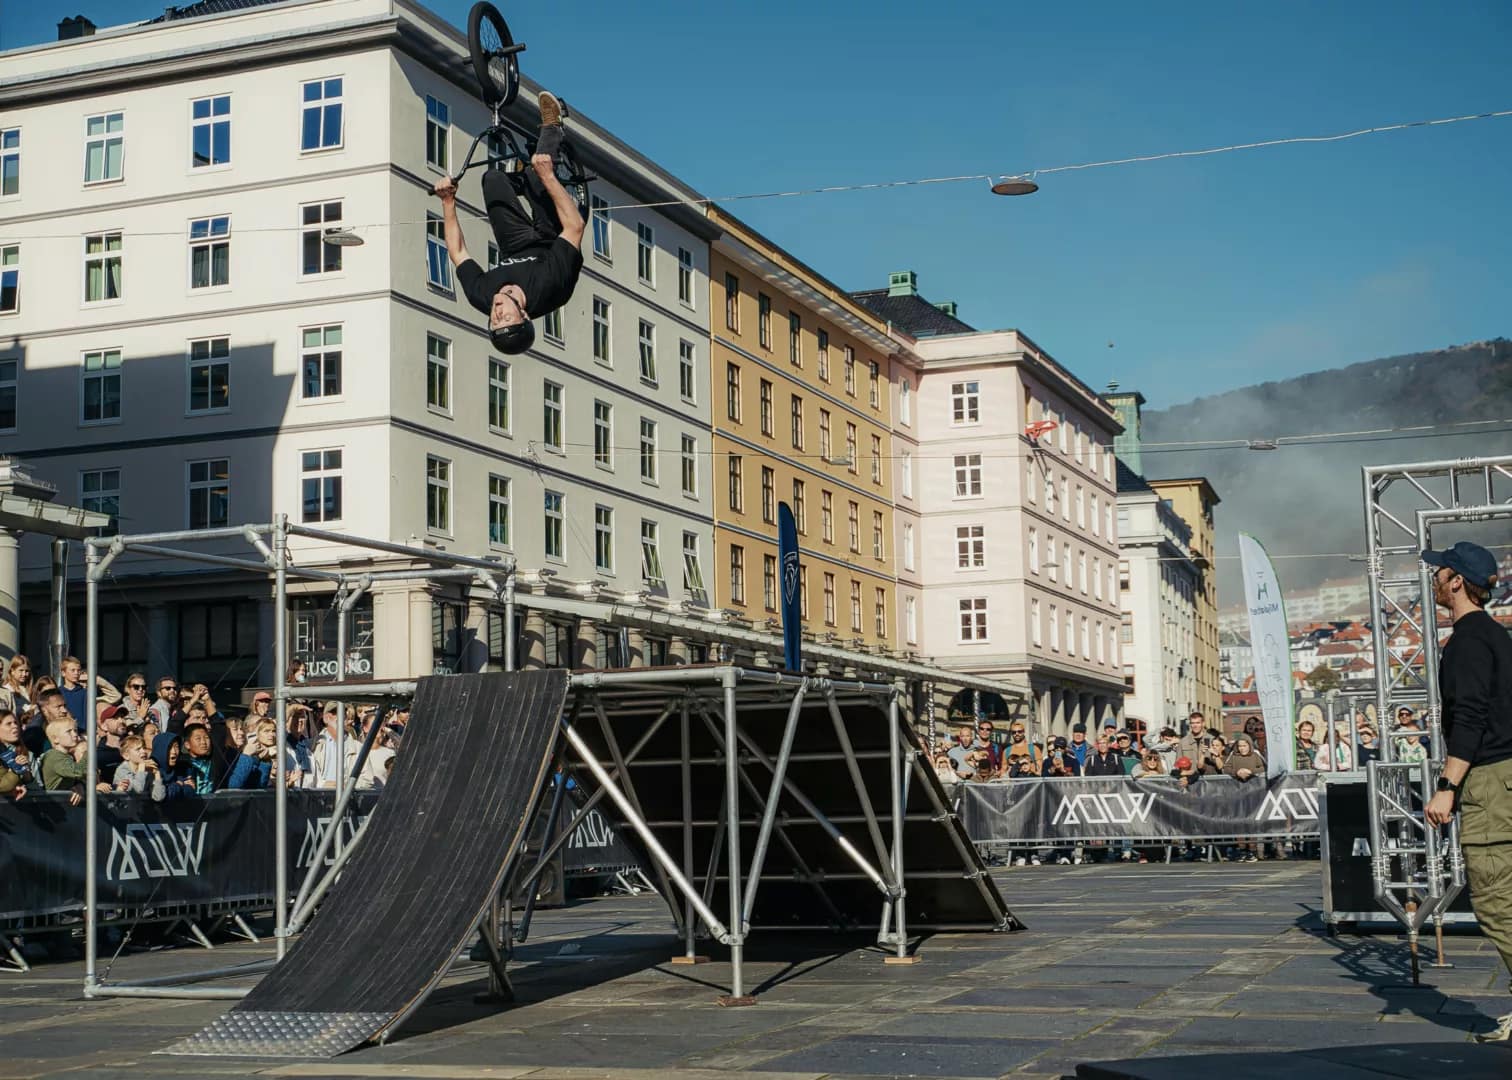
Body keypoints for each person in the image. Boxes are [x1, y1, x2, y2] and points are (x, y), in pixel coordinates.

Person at [1417, 541, 1512, 1043]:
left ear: (1456, 582)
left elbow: (1470, 719)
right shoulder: (1495, 636)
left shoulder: (1468, 641)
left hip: (1491, 783)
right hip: (1505, 776)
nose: (1434, 578)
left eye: (1441, 571)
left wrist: (1446, 787)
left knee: (1497, 900)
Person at [434, 92, 585, 356]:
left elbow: (457, 252)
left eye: (494, 321)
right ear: (524, 315)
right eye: (506, 318)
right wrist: (548, 176)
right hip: (554, 237)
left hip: (514, 244)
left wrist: (447, 201)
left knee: (491, 179)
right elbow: (575, 227)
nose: (497, 312)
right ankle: (553, 127)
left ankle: (518, 179)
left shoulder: (481, 295)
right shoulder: (550, 286)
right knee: (537, 177)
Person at [113, 734, 165, 800]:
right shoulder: (122, 770)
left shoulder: (147, 770)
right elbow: (137, 790)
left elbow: (159, 797)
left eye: (144, 748)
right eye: (138, 749)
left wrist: (157, 774)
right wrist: (141, 768)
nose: (143, 751)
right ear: (126, 755)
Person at [0, 709, 36, 801]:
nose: (15, 726)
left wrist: (26, 773)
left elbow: (38, 789)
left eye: (16, 722)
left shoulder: (29, 754)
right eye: (9, 724)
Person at [150, 732, 196, 799]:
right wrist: (179, 784)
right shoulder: (151, 770)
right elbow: (160, 797)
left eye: (176, 746)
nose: (174, 751)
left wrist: (172, 788)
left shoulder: (183, 769)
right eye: (169, 747)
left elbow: (190, 790)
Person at [180, 723, 218, 794]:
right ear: (187, 744)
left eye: (206, 738)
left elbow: (220, 730)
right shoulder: (181, 764)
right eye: (198, 738)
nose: (203, 742)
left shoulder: (215, 760)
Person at [0, 654, 34, 720]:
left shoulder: (30, 689)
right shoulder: (7, 690)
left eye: (26, 671)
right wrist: (28, 708)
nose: (24, 674)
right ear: (12, 671)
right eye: (21, 670)